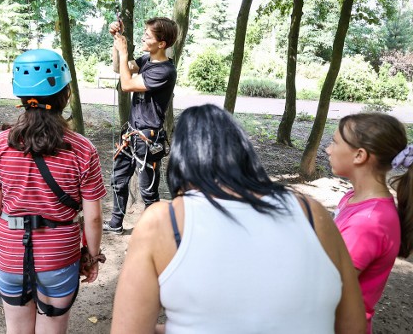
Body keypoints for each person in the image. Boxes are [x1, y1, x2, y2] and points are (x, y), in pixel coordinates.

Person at [111, 104, 366, 334]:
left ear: (181, 161)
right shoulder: (313, 213)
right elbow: (353, 326)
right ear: (244, 155)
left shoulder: (163, 221)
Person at [0, 49, 106, 334]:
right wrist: (92, 256)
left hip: (10, 251)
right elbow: (94, 217)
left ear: (21, 98)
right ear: (66, 95)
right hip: (59, 254)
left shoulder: (1, 144)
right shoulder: (82, 149)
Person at [326, 113, 413, 333]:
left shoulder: (367, 223)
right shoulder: (352, 198)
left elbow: (327, 287)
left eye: (335, 142)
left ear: (359, 155)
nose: (328, 149)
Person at [103, 17, 178, 234]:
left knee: (148, 190)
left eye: (148, 34)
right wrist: (117, 42)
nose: (143, 36)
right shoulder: (146, 60)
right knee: (118, 179)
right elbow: (120, 69)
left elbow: (126, 85)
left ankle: (150, 234)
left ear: (161, 43)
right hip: (131, 132)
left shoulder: (164, 71)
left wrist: (125, 49)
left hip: (148, 137)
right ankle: (116, 223)